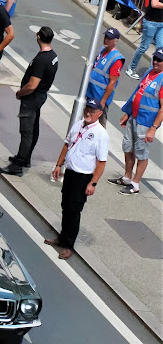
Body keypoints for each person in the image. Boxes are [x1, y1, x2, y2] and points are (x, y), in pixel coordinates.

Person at [44, 99, 109, 260]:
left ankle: (68, 245)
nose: (88, 113)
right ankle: (62, 237)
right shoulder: (78, 124)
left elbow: (101, 162)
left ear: (99, 114)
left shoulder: (101, 135)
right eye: (87, 109)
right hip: (71, 172)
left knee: (74, 210)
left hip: (83, 176)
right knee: (65, 205)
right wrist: (59, 165)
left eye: (92, 111)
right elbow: (66, 145)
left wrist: (93, 183)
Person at [0, 26, 58, 176]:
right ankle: (24, 157)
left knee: (26, 132)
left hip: (31, 98)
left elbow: (32, 85)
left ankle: (17, 166)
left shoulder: (41, 59)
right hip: (40, 97)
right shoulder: (53, 56)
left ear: (38, 36)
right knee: (33, 128)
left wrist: (20, 93)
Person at [108, 47, 163, 194]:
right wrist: (128, 112)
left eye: (160, 60)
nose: (156, 62)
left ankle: (135, 184)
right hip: (135, 117)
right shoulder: (149, 72)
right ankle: (127, 177)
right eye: (155, 58)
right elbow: (137, 92)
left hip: (146, 122)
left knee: (141, 153)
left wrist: (153, 128)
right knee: (128, 147)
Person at [86, 28, 125, 127]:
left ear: (115, 41)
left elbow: (112, 83)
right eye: (106, 37)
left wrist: (103, 101)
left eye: (109, 38)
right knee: (86, 121)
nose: (106, 40)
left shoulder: (116, 59)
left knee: (98, 125)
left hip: (99, 98)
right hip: (91, 93)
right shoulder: (102, 50)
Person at [126, 0, 163, 79]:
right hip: (151, 22)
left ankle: (153, 72)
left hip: (161, 23)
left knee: (160, 49)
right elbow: (154, 3)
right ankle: (131, 68)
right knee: (144, 47)